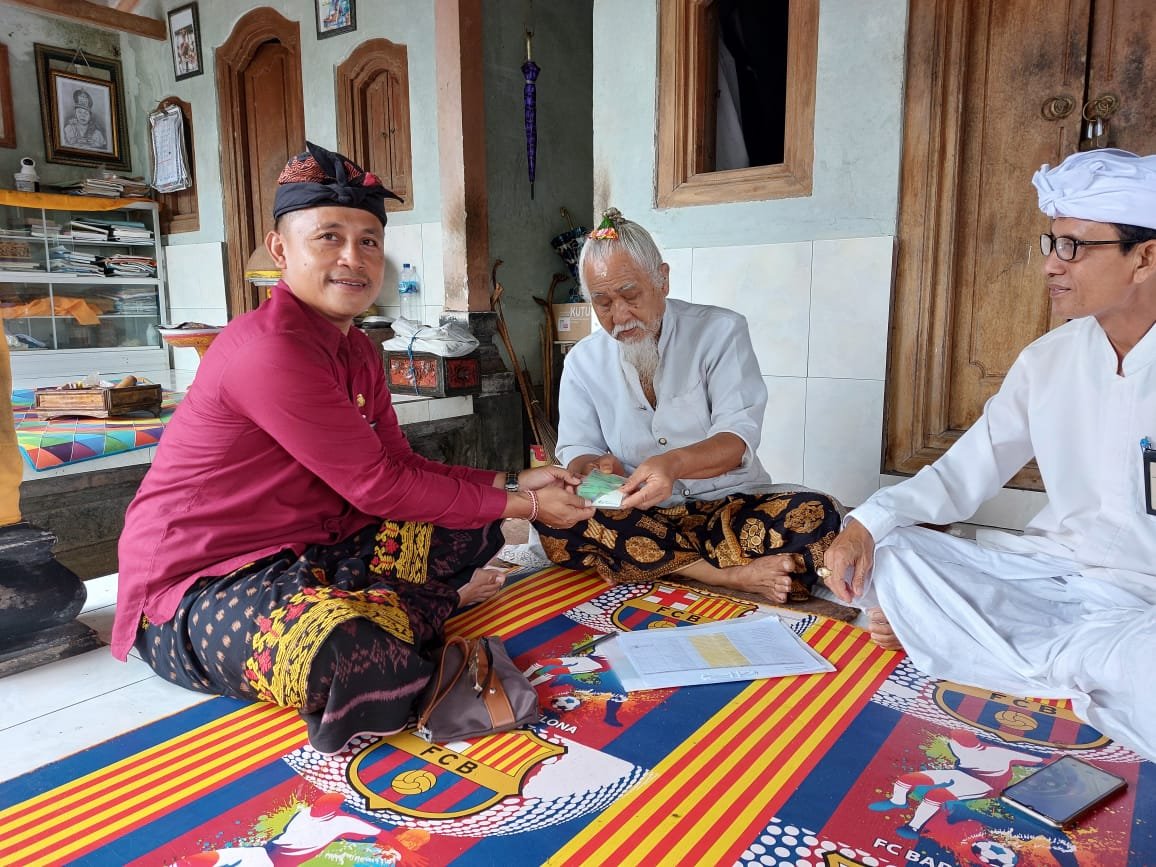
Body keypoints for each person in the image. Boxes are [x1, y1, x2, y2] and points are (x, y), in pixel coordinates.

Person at [112, 142, 594, 754]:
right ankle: (404, 609)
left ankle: (394, 606)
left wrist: (516, 483)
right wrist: (529, 506)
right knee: (350, 654)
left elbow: (401, 466)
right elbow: (377, 487)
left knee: (466, 529)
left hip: (314, 548)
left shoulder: (358, 348)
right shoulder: (270, 349)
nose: (353, 258)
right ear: (280, 249)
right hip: (202, 583)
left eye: (368, 241)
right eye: (329, 238)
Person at [822, 148, 1156, 760]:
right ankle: (1051, 661)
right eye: (1052, 243)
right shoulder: (1048, 360)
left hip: (1146, 606)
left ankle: (977, 646)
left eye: (1074, 247)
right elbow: (963, 473)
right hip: (1052, 576)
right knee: (894, 555)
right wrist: (865, 525)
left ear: (1146, 256)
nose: (1051, 265)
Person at [537, 208, 841, 604]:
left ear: (662, 279)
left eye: (630, 295)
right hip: (639, 514)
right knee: (551, 513)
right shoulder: (583, 361)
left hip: (727, 508)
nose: (620, 316)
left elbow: (736, 438)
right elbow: (576, 452)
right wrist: (595, 468)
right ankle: (726, 575)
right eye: (604, 303)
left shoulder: (720, 332)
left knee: (817, 514)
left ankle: (653, 563)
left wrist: (673, 464)